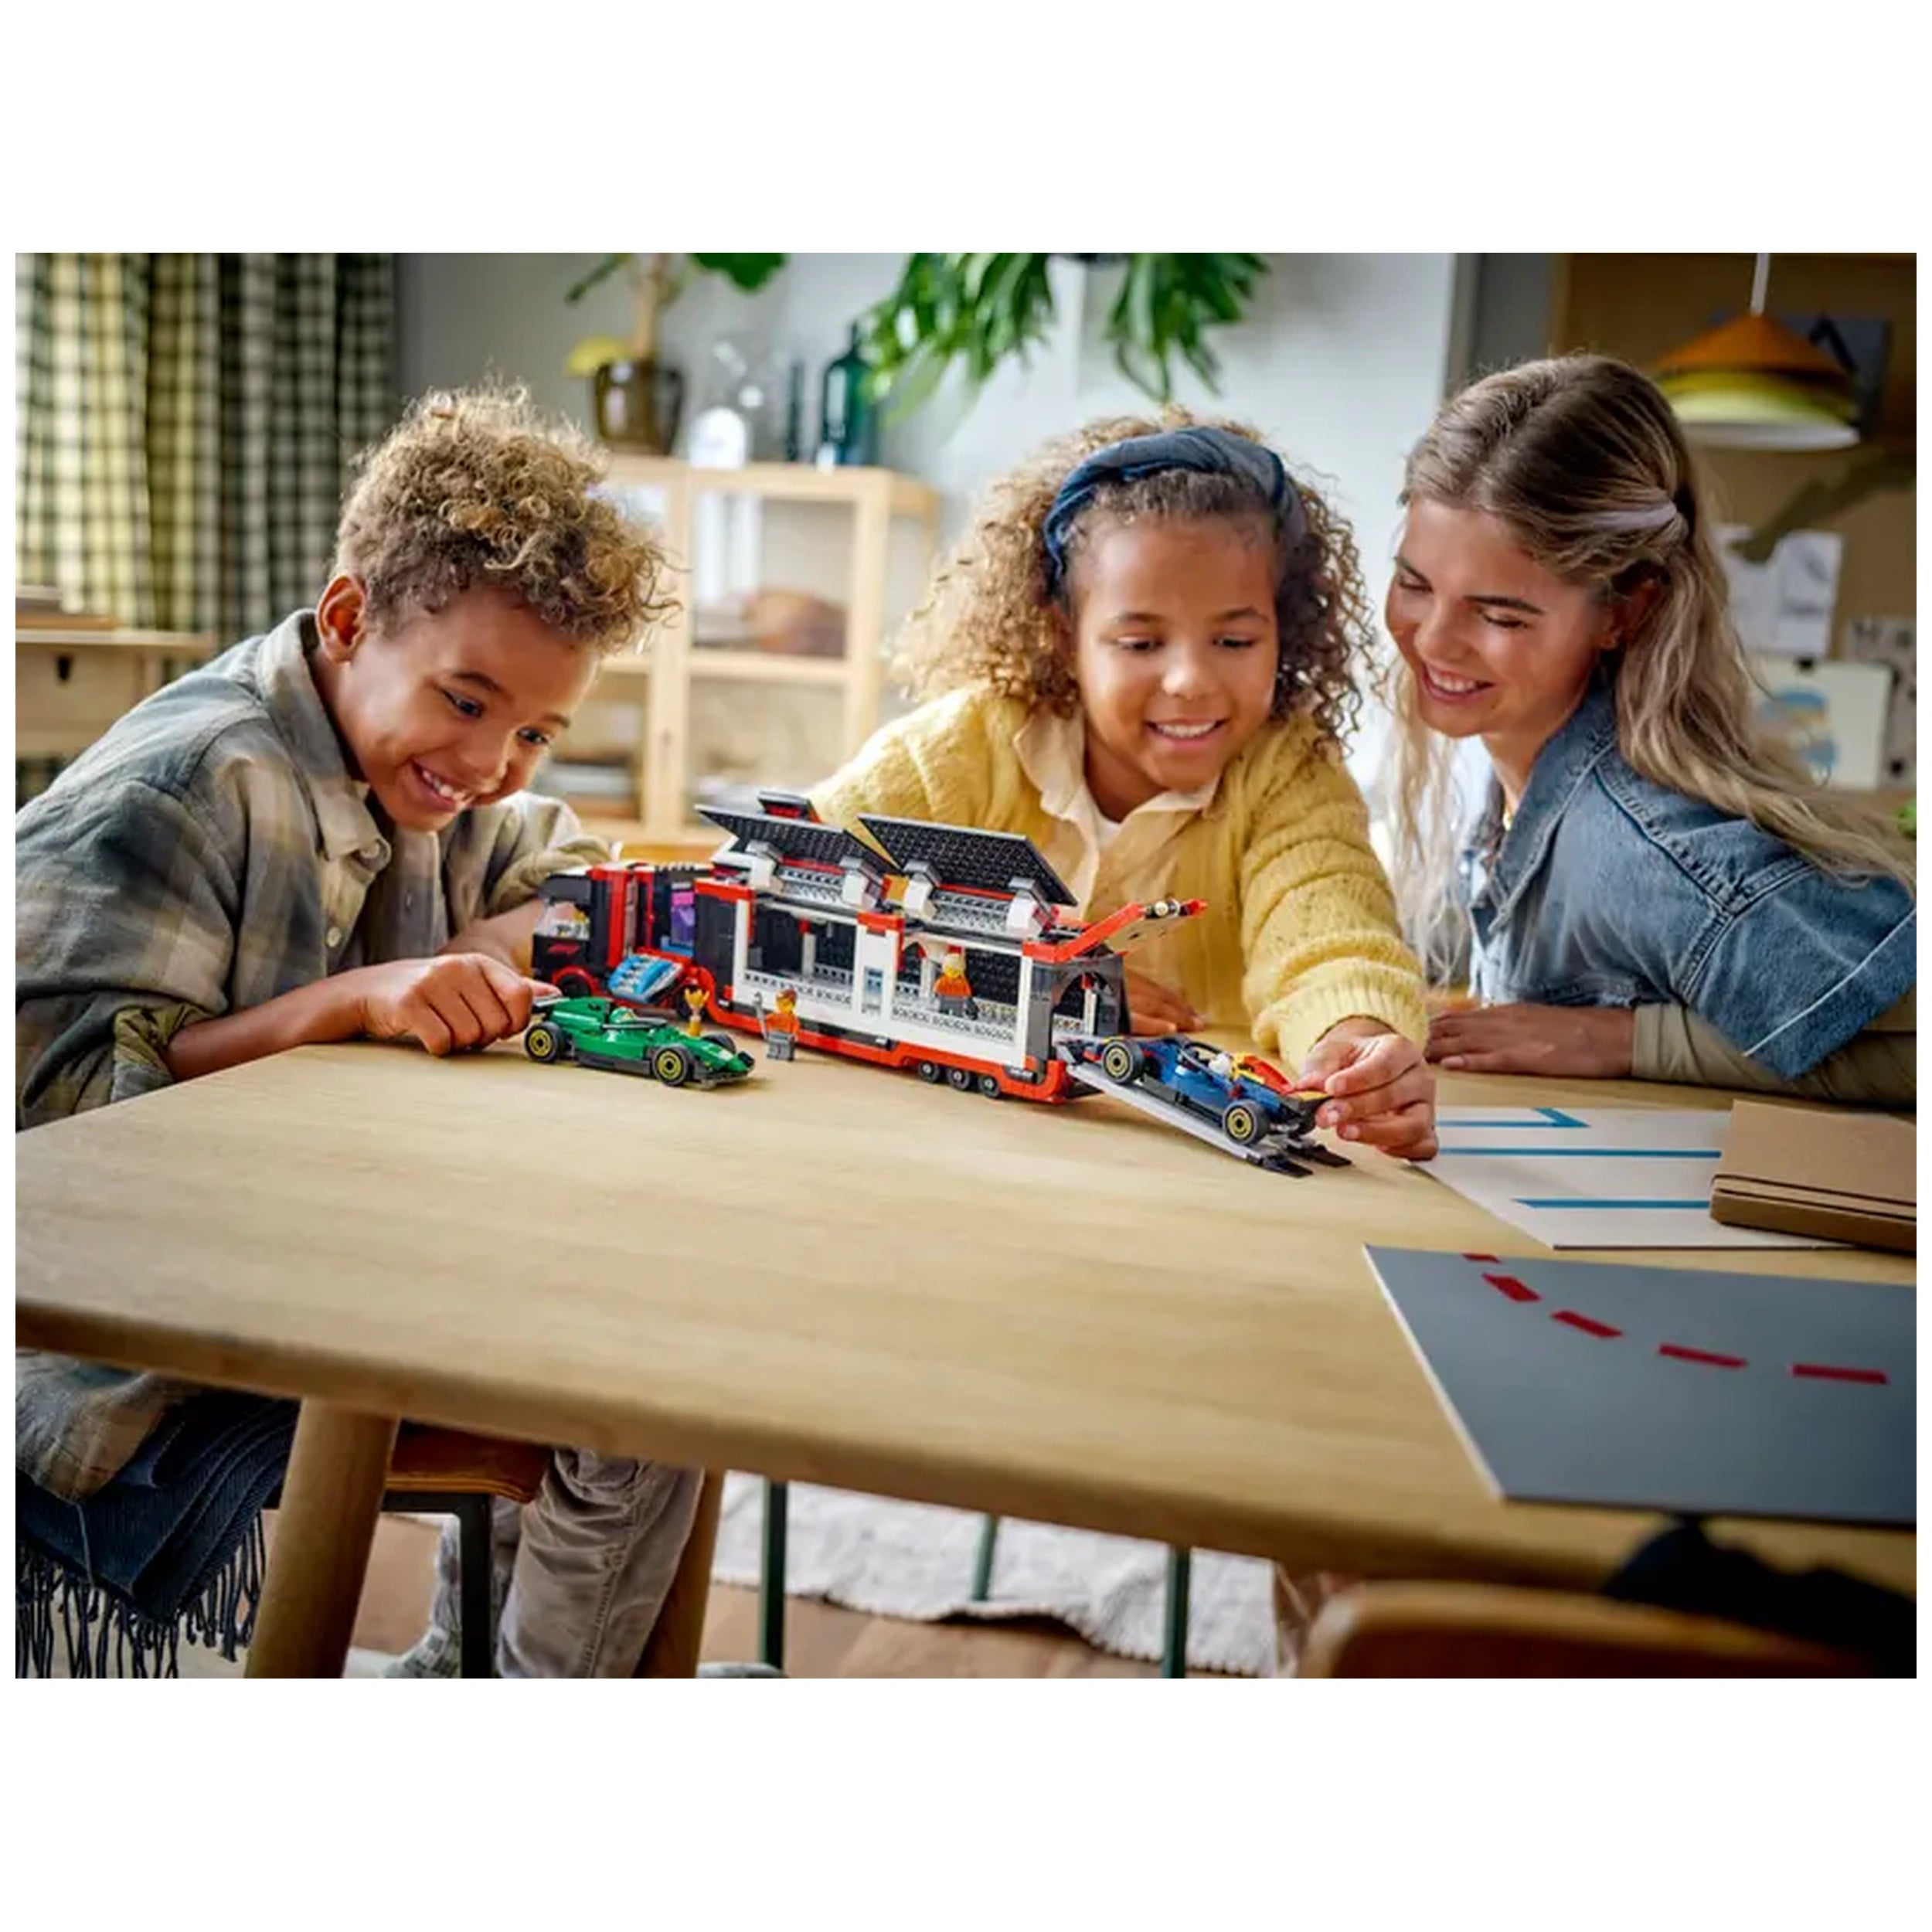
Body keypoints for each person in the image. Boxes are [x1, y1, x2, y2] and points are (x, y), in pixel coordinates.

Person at [15, 385, 705, 1677]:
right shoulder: (183, 787)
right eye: (466, 701)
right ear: (346, 620)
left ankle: (483, 1675)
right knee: (642, 1392)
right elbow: (52, 1147)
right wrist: (346, 1004)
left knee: (672, 1346)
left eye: (538, 731)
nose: (497, 763)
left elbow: (573, 889)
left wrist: (490, 943)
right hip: (147, 1318)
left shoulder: (443, 776)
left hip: (342, 1243)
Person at [809, 414, 1436, 1160]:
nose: (1191, 681)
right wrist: (1048, 995)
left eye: (1235, 641)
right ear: (1062, 635)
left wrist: (1356, 1041)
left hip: (1182, 1169)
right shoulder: (965, 748)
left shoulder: (1288, 773)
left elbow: (1331, 935)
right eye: (1140, 643)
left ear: (1285, 630)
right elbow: (795, 884)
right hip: (946, 1148)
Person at [1383, 355, 1913, 1104]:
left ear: (1624, 610)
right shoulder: (1511, 764)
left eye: (1499, 614)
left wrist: (1633, 1039)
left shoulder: (1641, 850)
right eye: (1414, 583)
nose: (1433, 640)